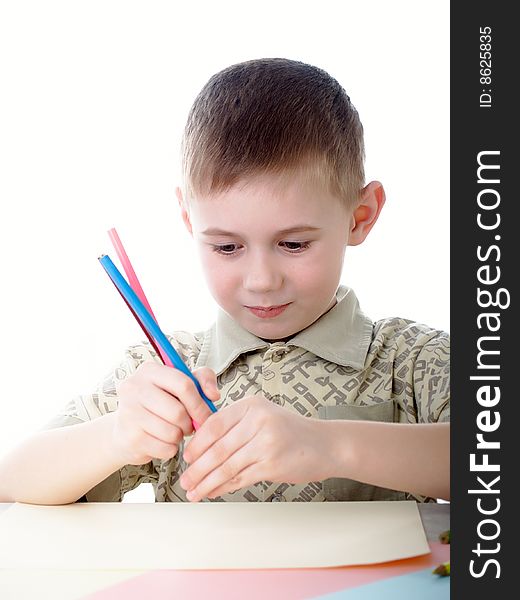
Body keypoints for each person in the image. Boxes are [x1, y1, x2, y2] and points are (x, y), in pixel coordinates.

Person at [0, 58, 449, 505]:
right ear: (188, 221)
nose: (261, 281)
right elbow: (11, 482)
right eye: (227, 248)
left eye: (293, 244)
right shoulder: (167, 371)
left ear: (360, 217)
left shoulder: (410, 362)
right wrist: (116, 437)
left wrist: (332, 445)